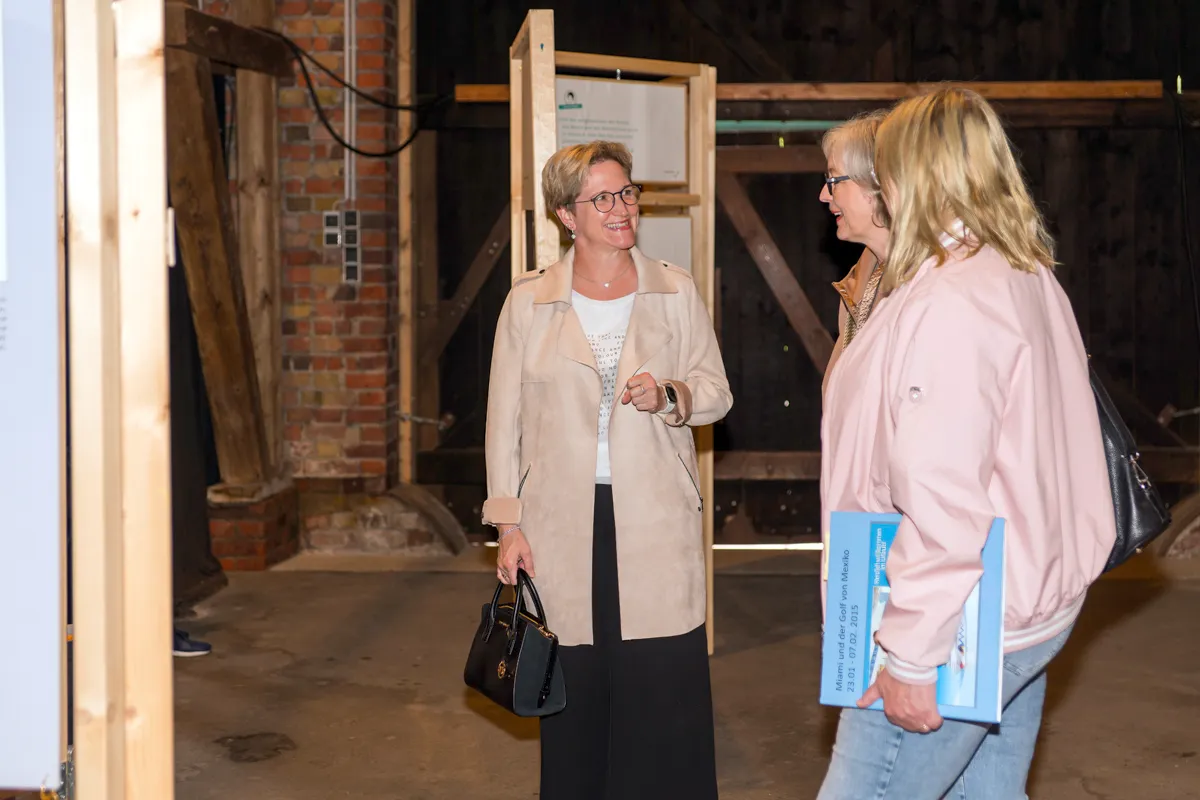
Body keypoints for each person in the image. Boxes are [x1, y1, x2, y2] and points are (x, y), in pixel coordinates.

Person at [817, 87, 1117, 799]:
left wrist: (911, 655)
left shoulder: (951, 296)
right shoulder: (1020, 269)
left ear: (916, 172)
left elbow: (942, 491)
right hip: (1025, 602)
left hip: (960, 622)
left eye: (887, 167)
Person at [482, 140, 732, 800]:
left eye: (626, 192)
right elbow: (503, 424)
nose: (622, 208)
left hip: (655, 521)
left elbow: (716, 392)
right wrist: (508, 525)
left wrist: (671, 394)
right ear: (567, 215)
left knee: (662, 694)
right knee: (576, 698)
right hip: (561, 526)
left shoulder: (675, 291)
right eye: (602, 198)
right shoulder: (527, 303)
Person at [817, 110, 889, 391]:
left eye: (834, 181)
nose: (824, 195)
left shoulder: (928, 280)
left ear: (876, 183)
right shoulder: (861, 281)